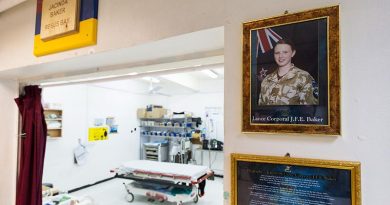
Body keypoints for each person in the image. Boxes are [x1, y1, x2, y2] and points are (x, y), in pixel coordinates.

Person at [258, 39, 318, 105]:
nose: (280, 56)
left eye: (285, 52)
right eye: (277, 53)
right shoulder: (267, 79)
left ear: (293, 53)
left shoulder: (304, 77)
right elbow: (261, 109)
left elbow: (310, 111)